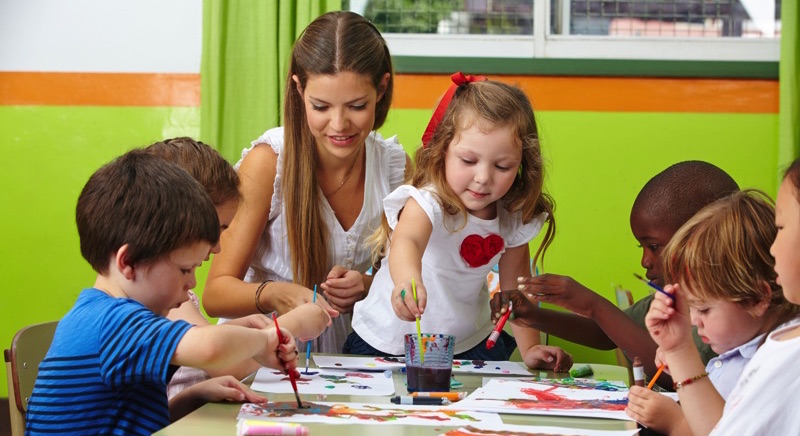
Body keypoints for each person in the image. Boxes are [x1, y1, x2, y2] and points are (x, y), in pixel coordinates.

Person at [23, 151, 299, 436]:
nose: (192, 283)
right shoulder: (114, 322)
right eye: (185, 270)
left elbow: (124, 425)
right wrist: (265, 340)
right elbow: (210, 349)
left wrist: (190, 398)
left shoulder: (104, 315)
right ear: (128, 263)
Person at [203, 11, 408, 354]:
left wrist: (369, 285)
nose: (339, 124)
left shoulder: (393, 167)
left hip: (353, 358)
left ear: (382, 88)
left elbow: (407, 278)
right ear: (299, 90)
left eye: (357, 106)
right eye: (321, 106)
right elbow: (215, 295)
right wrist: (275, 293)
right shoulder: (270, 162)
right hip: (263, 352)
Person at [345, 73, 571, 369]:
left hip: (466, 344)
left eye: (502, 166)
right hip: (387, 341)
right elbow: (407, 242)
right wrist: (406, 283)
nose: (483, 178)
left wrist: (530, 349)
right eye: (468, 161)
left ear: (522, 165)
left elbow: (515, 292)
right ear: (442, 151)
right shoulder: (428, 201)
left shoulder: (511, 217)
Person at [146, 138, 331, 436]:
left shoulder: (172, 292)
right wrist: (291, 324)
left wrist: (241, 331)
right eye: (215, 230)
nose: (218, 248)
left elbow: (200, 347)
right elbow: (218, 358)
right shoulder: (163, 297)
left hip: (197, 432)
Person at [493, 161, 739, 388]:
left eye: (653, 247)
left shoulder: (724, 310)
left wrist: (593, 305)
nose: (645, 261)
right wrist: (533, 315)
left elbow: (675, 374)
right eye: (641, 247)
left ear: (700, 238)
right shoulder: (673, 293)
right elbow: (610, 334)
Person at [643, 159, 800, 436]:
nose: (772, 249)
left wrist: (674, 420)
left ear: (757, 299)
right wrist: (678, 351)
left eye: (782, 228)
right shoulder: (783, 342)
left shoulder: (789, 357)